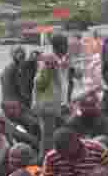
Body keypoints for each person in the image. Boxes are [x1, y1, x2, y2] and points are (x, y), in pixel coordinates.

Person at [33, 33, 77, 163]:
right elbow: (39, 84)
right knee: (47, 137)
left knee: (55, 134)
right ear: (59, 46)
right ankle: (44, 162)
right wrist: (49, 68)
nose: (67, 48)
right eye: (65, 46)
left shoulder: (59, 60)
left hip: (56, 105)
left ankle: (55, 158)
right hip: (47, 106)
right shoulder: (48, 61)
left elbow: (65, 80)